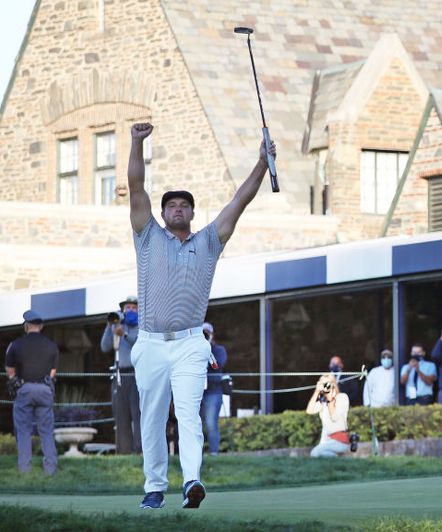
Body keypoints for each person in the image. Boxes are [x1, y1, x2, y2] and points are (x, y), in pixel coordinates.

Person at [127, 122, 275, 510]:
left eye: (184, 205)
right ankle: (154, 487)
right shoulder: (147, 235)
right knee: (153, 418)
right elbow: (136, 186)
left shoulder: (209, 240)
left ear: (192, 212)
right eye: (171, 205)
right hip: (151, 343)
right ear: (161, 213)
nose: (178, 208)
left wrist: (262, 163)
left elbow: (239, 201)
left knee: (189, 414)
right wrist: (136, 143)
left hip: (192, 341)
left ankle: (192, 480)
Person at [5, 310, 59, 475]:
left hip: (24, 389)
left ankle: (25, 471)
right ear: (41, 326)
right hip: (44, 389)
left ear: (26, 325)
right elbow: (53, 373)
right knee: (46, 431)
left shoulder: (15, 345)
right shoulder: (51, 345)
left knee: (23, 431)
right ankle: (50, 471)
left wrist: (17, 383)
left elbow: (10, 371)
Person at [100, 295, 142, 454]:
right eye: (127, 308)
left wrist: (123, 333)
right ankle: (124, 452)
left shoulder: (142, 326)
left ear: (138, 310)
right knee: (121, 416)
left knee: (138, 416)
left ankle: (140, 452)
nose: (129, 310)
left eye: (133, 307)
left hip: (137, 374)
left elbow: (138, 344)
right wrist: (109, 326)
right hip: (119, 375)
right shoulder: (118, 324)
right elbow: (105, 347)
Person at [306, 373, 351, 457]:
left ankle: (337, 461)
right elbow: (309, 410)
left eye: (327, 384)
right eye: (323, 384)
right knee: (319, 456)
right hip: (327, 439)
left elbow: (334, 417)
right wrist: (317, 391)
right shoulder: (323, 401)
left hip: (339, 440)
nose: (326, 387)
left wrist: (331, 400)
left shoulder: (342, 397)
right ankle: (336, 462)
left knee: (315, 453)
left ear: (334, 384)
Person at [200, 323, 228, 456]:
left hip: (213, 392)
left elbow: (217, 364)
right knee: (195, 425)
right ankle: (195, 455)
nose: (204, 335)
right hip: (197, 391)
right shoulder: (194, 349)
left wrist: (208, 346)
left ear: (212, 335)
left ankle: (214, 453)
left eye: (206, 333)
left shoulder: (219, 350)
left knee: (211, 424)